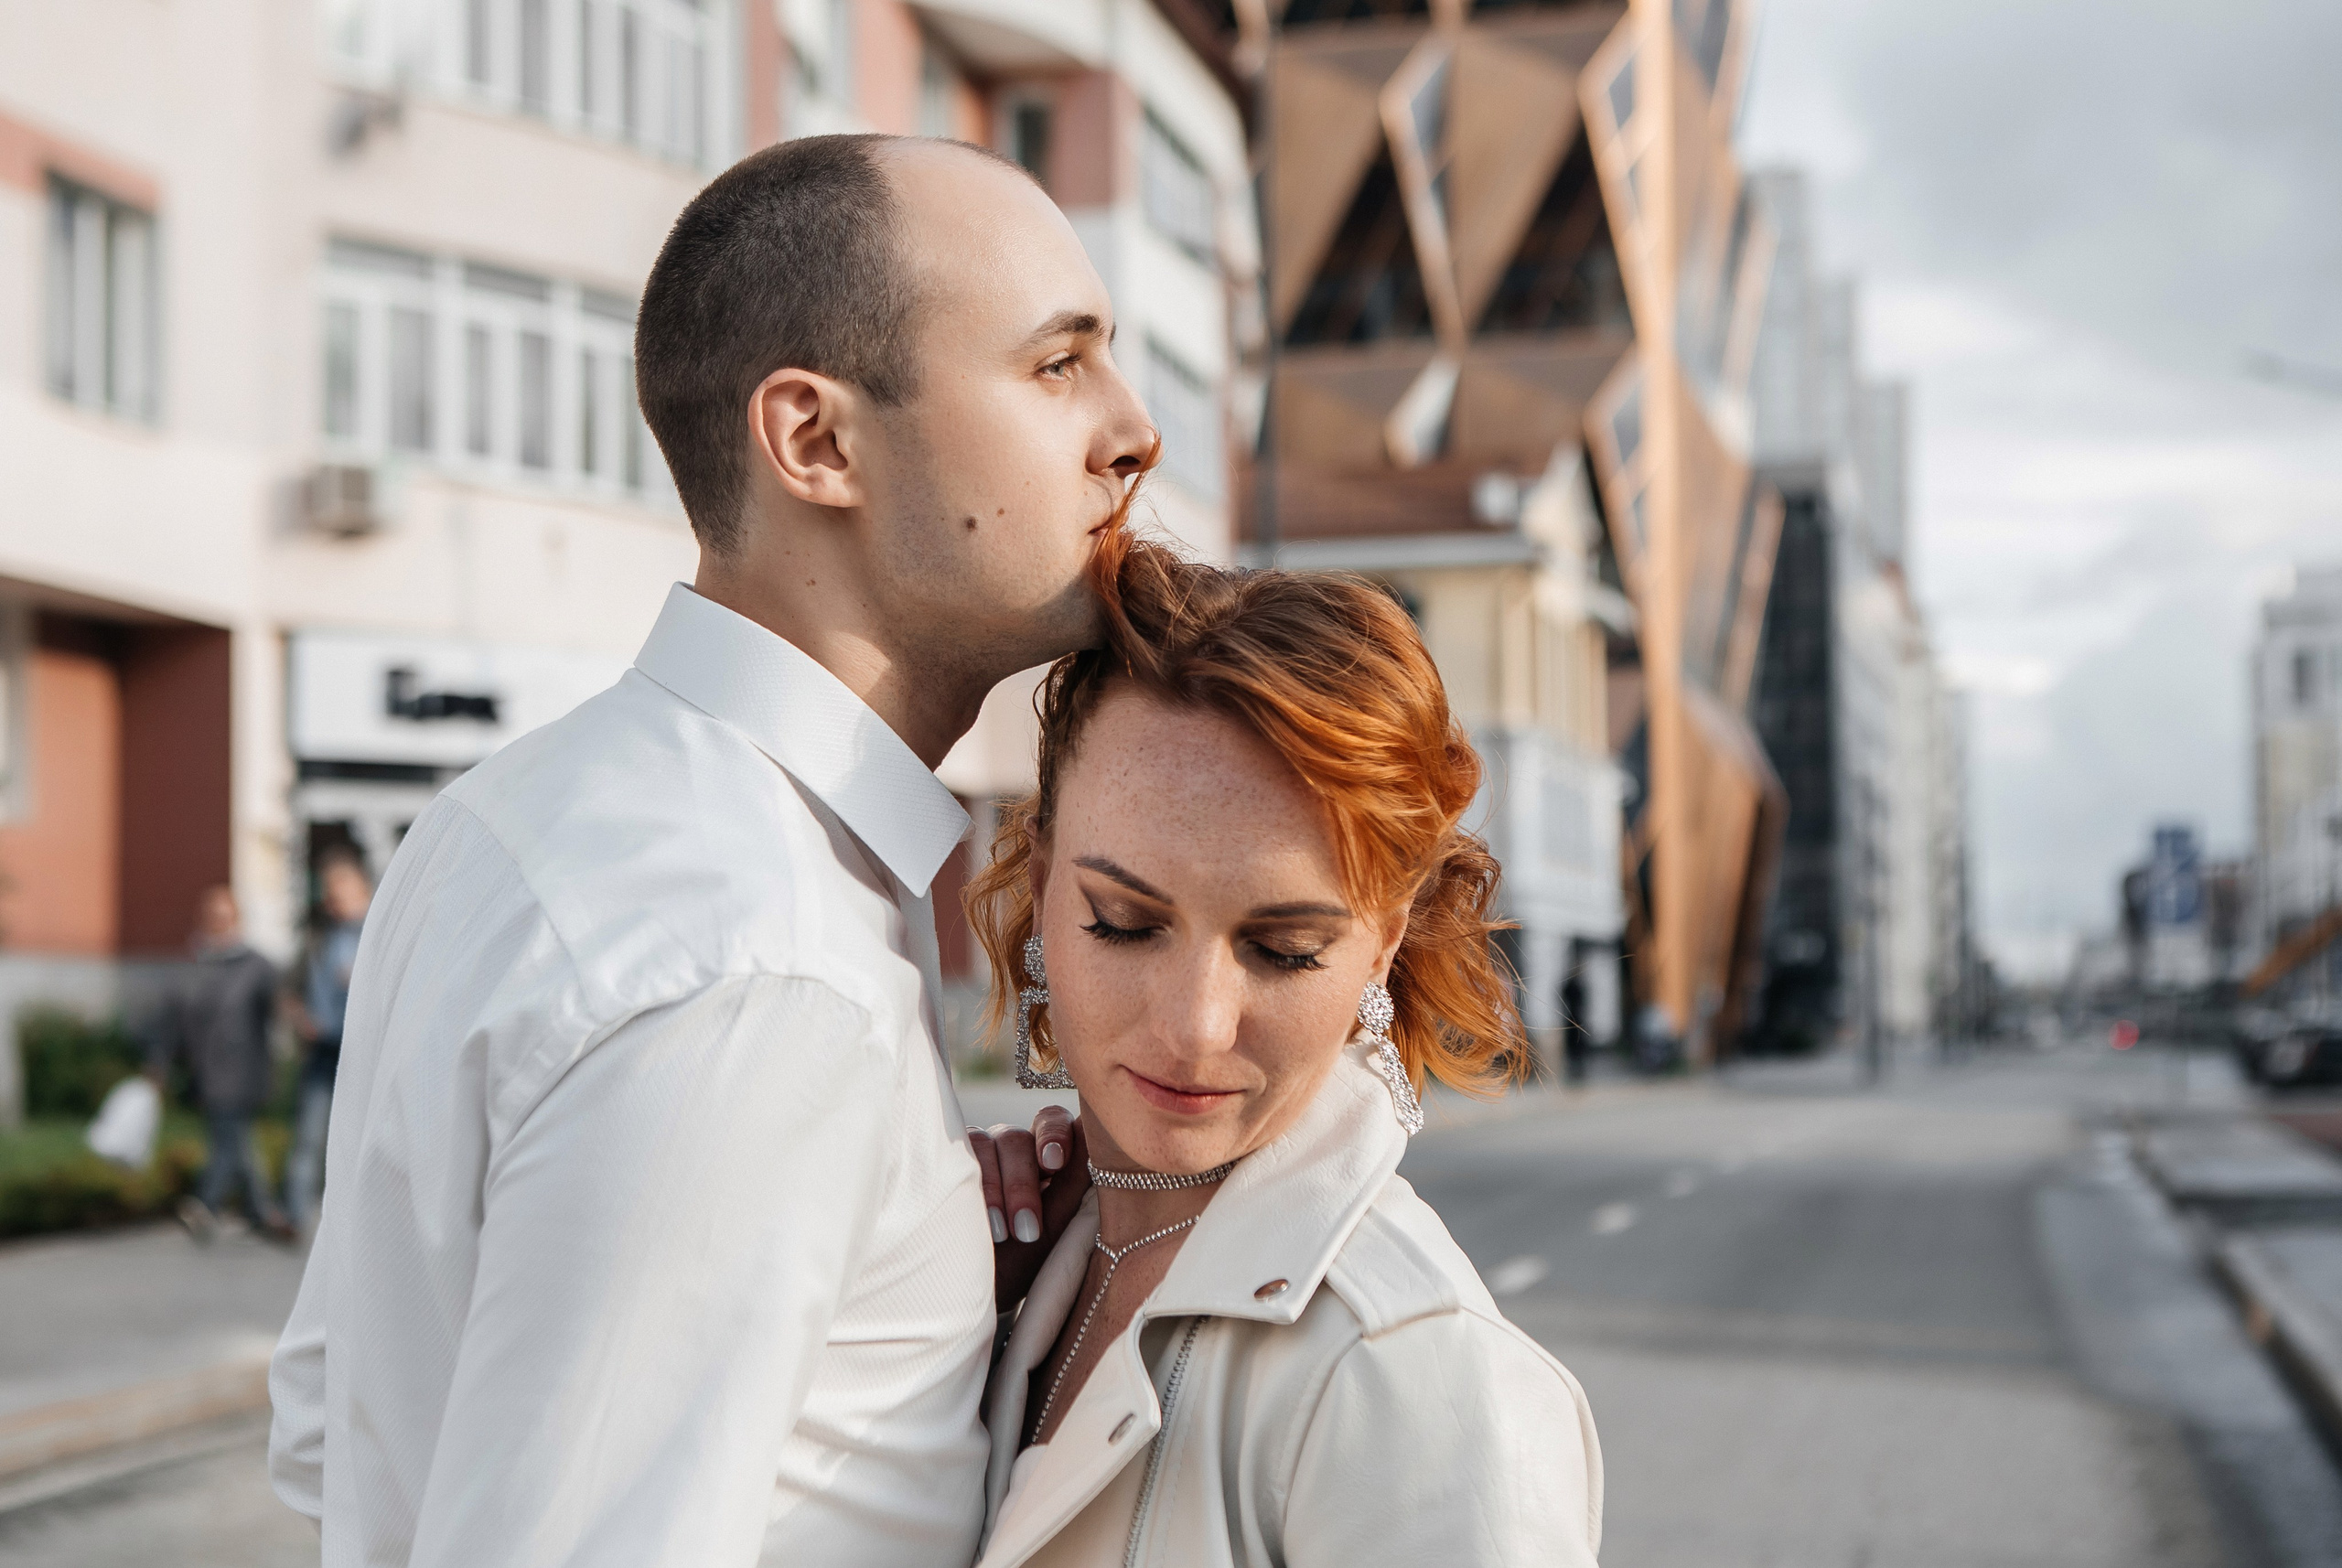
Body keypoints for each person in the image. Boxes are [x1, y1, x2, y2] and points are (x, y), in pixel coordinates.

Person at [268, 133, 1151, 1566]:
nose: (1131, 428)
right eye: (1060, 365)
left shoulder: (512, 817)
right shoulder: (761, 960)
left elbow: (334, 1423)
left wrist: (897, 1252)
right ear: (815, 440)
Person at [963, 545, 1603, 1567]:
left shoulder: (1409, 1370)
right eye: (1124, 922)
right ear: (1041, 883)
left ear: (1382, 944)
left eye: (1283, 949)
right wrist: (942, 1305)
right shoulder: (1015, 1274)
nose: (1196, 1025)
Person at [151, 886, 293, 1244]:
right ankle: (266, 1213)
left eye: (225, 916)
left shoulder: (257, 966)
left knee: (229, 1141)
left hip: (244, 1071)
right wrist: (159, 1063)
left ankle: (205, 1203)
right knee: (237, 1142)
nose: (218, 924)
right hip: (206, 1072)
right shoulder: (194, 967)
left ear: (236, 919)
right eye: (213, 917)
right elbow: (173, 1020)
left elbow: (279, 1010)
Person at [281, 848, 371, 1236]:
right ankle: (296, 1216)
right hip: (322, 1050)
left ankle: (357, 1221)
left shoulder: (382, 931)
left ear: (362, 888)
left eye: (341, 890)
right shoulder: (319, 936)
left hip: (364, 1053)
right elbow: (290, 989)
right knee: (310, 1134)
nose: (334, 900)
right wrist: (301, 1019)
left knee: (361, 1140)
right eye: (330, 893)